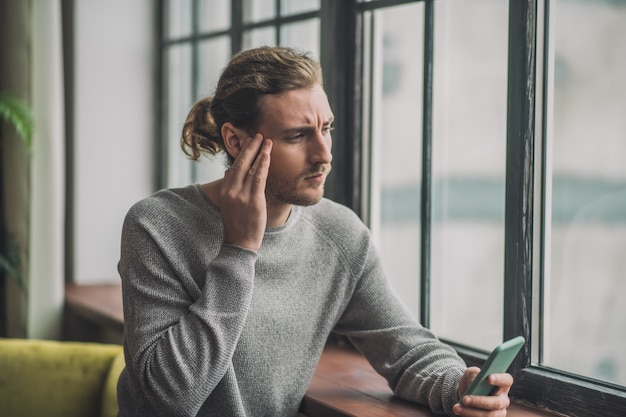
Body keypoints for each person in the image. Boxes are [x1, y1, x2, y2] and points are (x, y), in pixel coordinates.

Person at [117, 46, 514, 417]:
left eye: (326, 128)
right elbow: (170, 398)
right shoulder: (157, 226)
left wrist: (458, 385)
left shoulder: (339, 235)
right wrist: (239, 250)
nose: (324, 154)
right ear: (235, 141)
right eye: (298, 135)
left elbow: (407, 350)